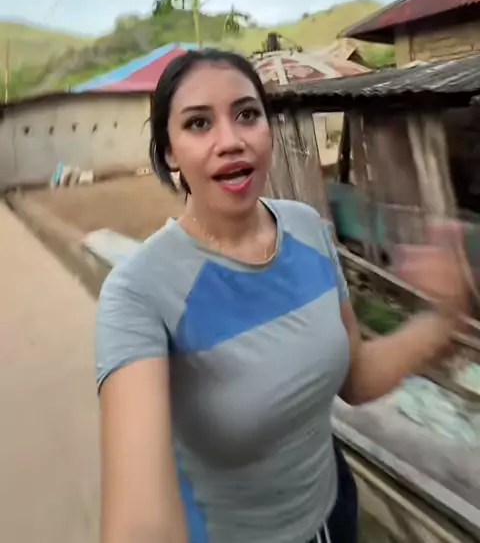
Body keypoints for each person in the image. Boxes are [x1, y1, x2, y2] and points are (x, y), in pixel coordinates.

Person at [96, 49, 470, 543]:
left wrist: (443, 317)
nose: (231, 141)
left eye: (247, 114)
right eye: (198, 123)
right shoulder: (138, 292)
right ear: (169, 152)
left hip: (335, 514)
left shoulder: (307, 228)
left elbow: (356, 378)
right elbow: (139, 522)